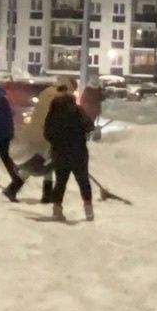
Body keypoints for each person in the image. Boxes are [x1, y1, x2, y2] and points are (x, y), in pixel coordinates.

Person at [42, 75, 94, 222]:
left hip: (60, 153)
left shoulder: (53, 113)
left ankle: (57, 210)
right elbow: (89, 126)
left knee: (60, 182)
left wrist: (56, 143)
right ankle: (88, 210)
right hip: (78, 152)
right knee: (83, 181)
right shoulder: (77, 110)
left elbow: (47, 133)